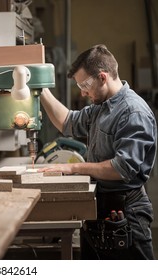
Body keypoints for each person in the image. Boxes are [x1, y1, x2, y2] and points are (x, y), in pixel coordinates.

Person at [38, 44, 156, 259]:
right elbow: (68, 122)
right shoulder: (101, 107)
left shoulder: (132, 112)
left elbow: (122, 168)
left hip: (126, 210)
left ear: (102, 77)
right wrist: (40, 89)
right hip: (100, 205)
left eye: (85, 85)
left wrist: (73, 167)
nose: (82, 92)